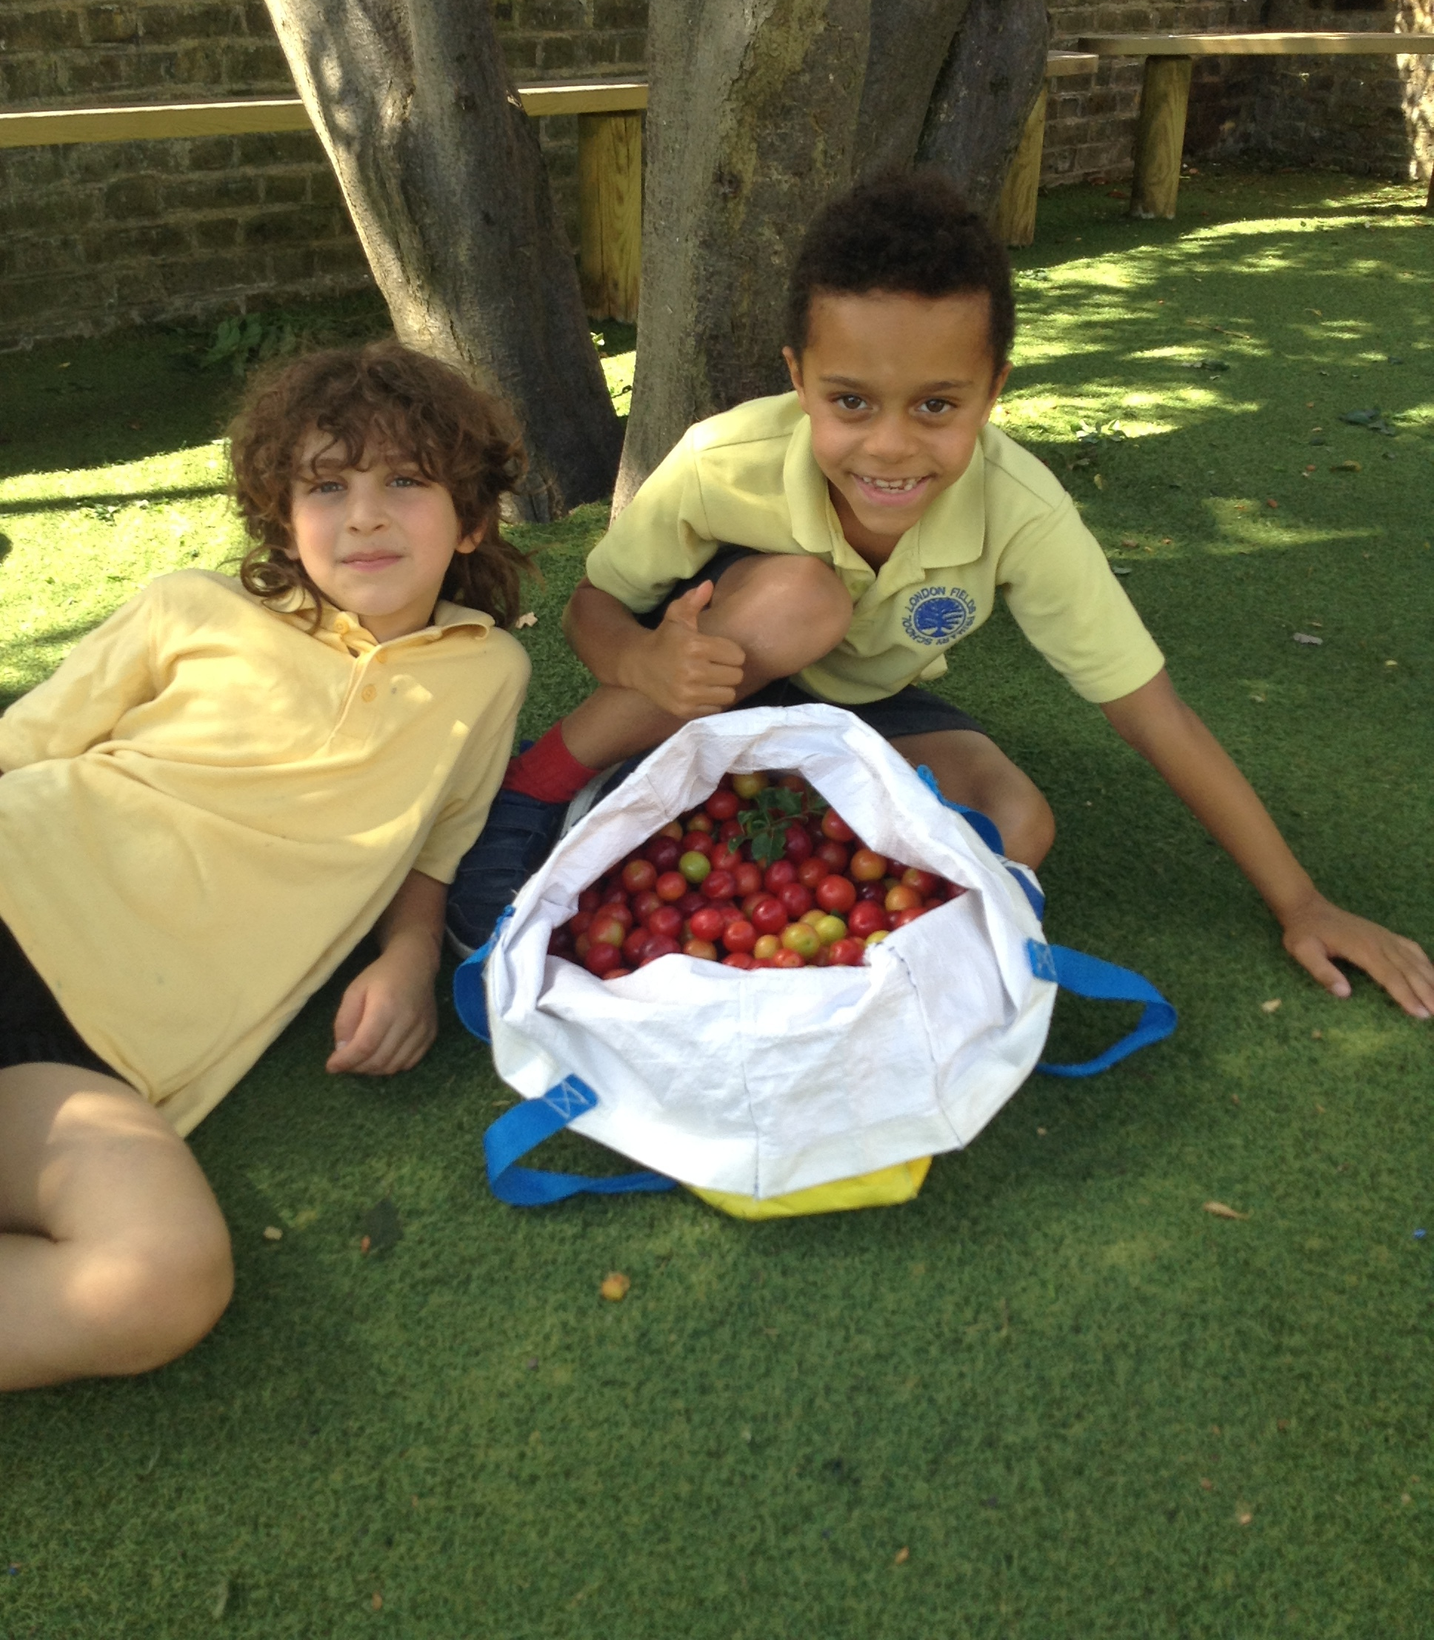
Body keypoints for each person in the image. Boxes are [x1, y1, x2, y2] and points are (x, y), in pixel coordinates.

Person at [448, 169, 1433, 1027]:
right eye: (850, 402)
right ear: (799, 380)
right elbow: (594, 607)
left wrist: (1302, 900)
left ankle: (803, 868)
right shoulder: (725, 459)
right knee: (802, 600)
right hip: (711, 673)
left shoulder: (1022, 513)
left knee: (1023, 821)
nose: (889, 445)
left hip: (870, 708)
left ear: (991, 391)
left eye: (936, 405)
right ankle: (543, 793)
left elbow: (1155, 714)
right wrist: (640, 660)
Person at [0, 342, 531, 1390]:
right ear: (281, 517)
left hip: (89, 1063)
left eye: (406, 482)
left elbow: (439, 841)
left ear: (470, 521)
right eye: (326, 485)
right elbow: (24, 746)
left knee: (161, 1278)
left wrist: (412, 955)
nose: (364, 515)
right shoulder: (191, 608)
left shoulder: (488, 674)